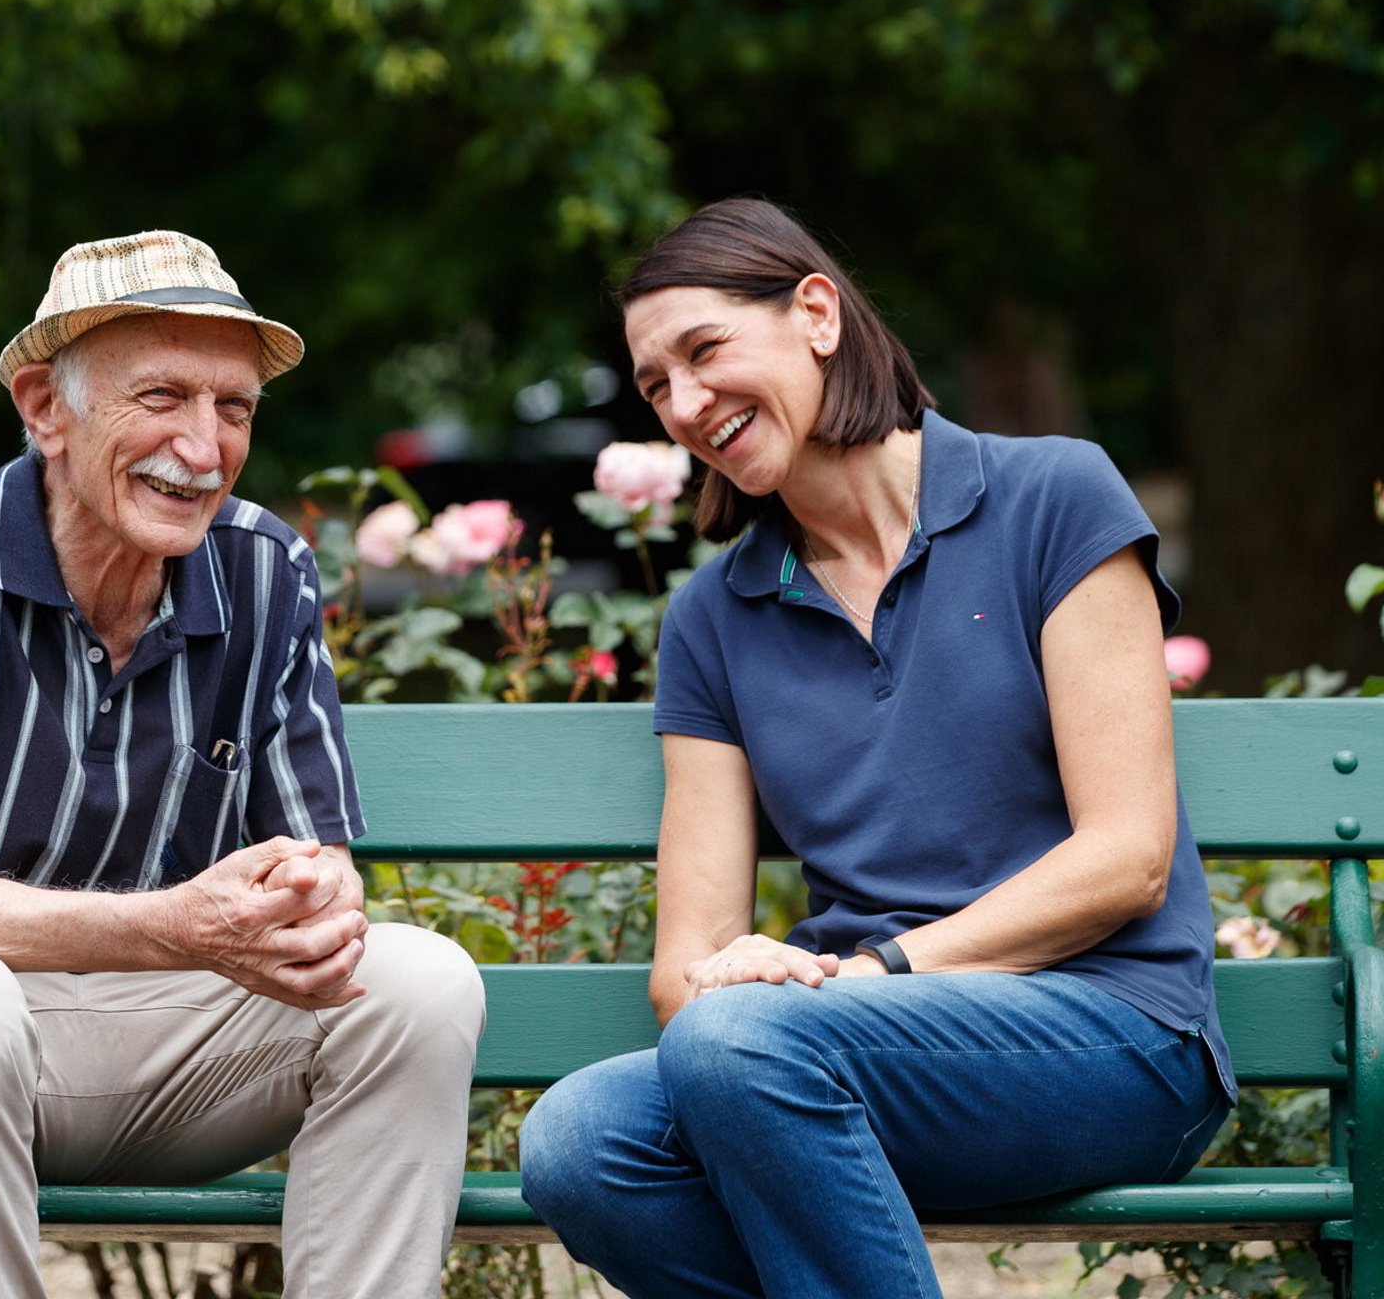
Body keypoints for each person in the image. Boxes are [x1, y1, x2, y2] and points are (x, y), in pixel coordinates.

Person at [0, 230, 485, 1299]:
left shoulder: (265, 570)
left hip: (145, 1053)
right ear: (46, 407)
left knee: (417, 982)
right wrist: (174, 926)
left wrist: (312, 897)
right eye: (163, 396)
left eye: (234, 408)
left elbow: (319, 895)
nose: (203, 444)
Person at [518, 198, 1234, 1298]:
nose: (688, 404)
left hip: (1113, 1032)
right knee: (581, 1142)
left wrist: (873, 975)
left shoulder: (1051, 498)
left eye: (705, 352)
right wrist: (738, 973)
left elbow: (1127, 858)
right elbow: (684, 968)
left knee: (744, 1048)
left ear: (816, 312)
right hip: (834, 1051)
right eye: (657, 384)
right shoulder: (716, 616)